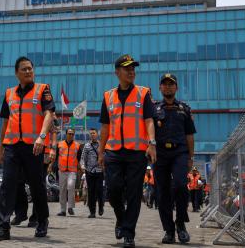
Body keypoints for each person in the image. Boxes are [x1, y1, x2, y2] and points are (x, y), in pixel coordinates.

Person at [0, 56, 54, 241]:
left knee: (37, 185)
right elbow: (5, 122)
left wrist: (42, 137)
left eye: (30, 68)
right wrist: (1, 147)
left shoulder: (43, 89)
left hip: (34, 146)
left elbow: (49, 114)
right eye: (24, 69)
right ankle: (3, 227)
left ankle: (42, 221)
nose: (28, 72)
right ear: (17, 73)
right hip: (12, 146)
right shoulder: (9, 93)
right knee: (7, 185)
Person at [97, 54, 156, 248]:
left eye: (133, 68)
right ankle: (121, 219)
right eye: (127, 68)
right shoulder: (108, 96)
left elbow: (149, 120)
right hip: (113, 150)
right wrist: (100, 151)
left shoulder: (143, 93)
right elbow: (105, 126)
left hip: (136, 152)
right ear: (117, 72)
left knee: (133, 193)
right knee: (113, 190)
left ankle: (129, 232)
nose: (131, 71)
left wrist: (152, 143)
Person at [153, 73, 196, 244]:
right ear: (160, 87)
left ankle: (180, 224)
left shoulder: (184, 109)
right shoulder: (154, 109)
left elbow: (190, 135)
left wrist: (191, 157)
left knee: (180, 185)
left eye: (171, 84)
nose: (168, 86)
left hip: (180, 153)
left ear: (176, 88)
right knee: (162, 193)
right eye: (165, 84)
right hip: (160, 154)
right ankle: (169, 230)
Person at [11, 114, 59, 228]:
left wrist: (53, 149)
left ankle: (36, 217)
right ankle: (21, 213)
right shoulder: (25, 106)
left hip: (42, 152)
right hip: (24, 150)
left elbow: (54, 133)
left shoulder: (51, 114)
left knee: (37, 185)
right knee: (18, 181)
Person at [50, 128, 82, 216]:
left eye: (72, 134)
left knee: (71, 186)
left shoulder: (77, 145)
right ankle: (63, 210)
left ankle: (70, 207)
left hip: (72, 171)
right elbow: (55, 157)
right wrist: (51, 165)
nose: (71, 135)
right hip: (62, 171)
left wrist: (79, 167)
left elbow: (78, 158)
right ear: (66, 134)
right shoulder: (59, 144)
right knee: (62, 190)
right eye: (69, 133)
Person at [80, 128, 105, 218]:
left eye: (93, 133)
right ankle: (92, 212)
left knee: (99, 191)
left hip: (99, 171)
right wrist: (82, 166)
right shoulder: (86, 146)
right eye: (90, 133)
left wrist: (104, 165)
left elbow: (105, 156)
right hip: (89, 171)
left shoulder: (102, 145)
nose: (92, 135)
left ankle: (101, 207)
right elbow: (83, 158)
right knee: (91, 192)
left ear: (97, 134)